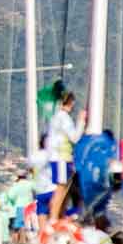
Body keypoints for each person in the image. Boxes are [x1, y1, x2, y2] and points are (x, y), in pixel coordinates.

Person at [47, 90, 86, 222]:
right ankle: (53, 218)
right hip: (62, 157)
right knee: (61, 189)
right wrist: (81, 122)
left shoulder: (55, 117)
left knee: (61, 189)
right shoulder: (64, 118)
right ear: (70, 102)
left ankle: (58, 216)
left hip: (56, 157)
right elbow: (74, 138)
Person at [3, 169, 36, 244]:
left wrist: (13, 202)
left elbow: (10, 197)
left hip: (20, 206)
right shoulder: (30, 184)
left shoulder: (16, 186)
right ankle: (29, 243)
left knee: (19, 226)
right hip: (30, 206)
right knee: (29, 225)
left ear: (18, 176)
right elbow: (36, 191)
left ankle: (19, 243)